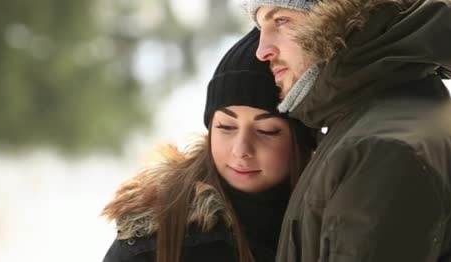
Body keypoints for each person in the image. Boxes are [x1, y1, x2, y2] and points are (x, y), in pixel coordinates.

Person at [247, 0, 451, 261]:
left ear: (339, 21)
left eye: (281, 21)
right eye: (260, 26)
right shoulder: (382, 121)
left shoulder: (384, 149)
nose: (262, 49)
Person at [101, 28, 316, 262]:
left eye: (266, 131)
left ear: (301, 141)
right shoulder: (155, 240)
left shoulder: (333, 219)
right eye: (226, 127)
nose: (241, 150)